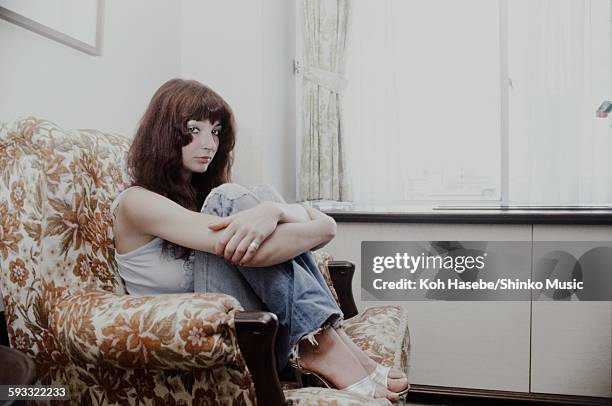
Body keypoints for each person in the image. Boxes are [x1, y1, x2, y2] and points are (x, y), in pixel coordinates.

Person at [110, 78, 409, 402]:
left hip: (256, 327)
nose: (209, 143)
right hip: (197, 335)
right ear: (163, 132)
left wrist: (272, 210)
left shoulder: (199, 199)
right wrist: (322, 227)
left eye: (216, 131)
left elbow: (269, 239)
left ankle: (330, 342)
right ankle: (320, 346)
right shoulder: (135, 202)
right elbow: (253, 251)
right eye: (194, 130)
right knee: (231, 198)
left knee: (258, 198)